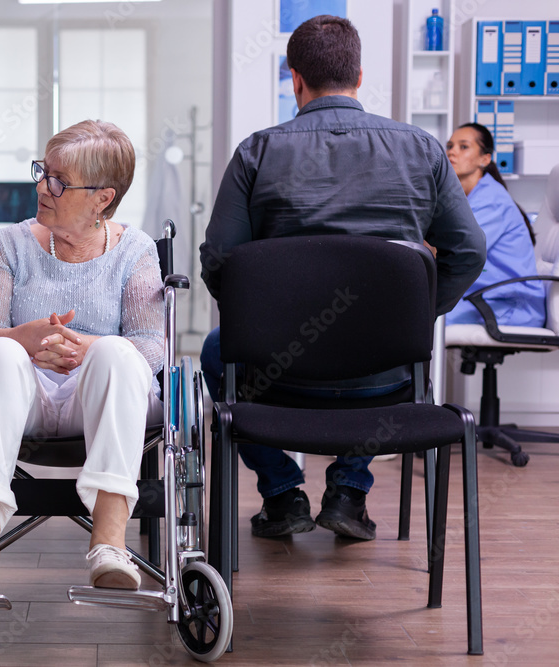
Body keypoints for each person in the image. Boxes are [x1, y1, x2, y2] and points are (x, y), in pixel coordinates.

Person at [199, 15, 485, 542]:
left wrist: (260, 327)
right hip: (384, 373)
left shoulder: (256, 153)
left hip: (278, 372)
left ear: (296, 79)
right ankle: (349, 492)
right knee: (396, 355)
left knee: (218, 352)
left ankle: (283, 495)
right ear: (358, 75)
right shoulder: (422, 150)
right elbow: (468, 250)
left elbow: (220, 260)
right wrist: (414, 320)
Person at [0, 120, 163, 595]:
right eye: (43, 171)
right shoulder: (10, 244)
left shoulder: (137, 251)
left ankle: (109, 546)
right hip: (23, 398)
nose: (42, 186)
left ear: (103, 197)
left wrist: (89, 347)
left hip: (102, 399)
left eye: (58, 180)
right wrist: (23, 337)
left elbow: (151, 347)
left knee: (119, 353)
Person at [444, 123, 546, 327]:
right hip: (484, 298)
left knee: (417, 319)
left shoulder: (492, 200)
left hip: (510, 304)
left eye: (463, 146)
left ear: (485, 159)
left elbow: (460, 250)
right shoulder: (467, 198)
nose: (451, 152)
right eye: (450, 146)